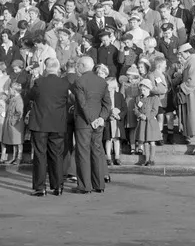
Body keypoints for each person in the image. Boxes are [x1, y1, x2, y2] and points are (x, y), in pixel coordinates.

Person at [27, 57, 71, 197]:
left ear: (45, 67)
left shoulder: (39, 82)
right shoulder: (64, 84)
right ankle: (58, 186)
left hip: (40, 123)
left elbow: (29, 96)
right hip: (57, 124)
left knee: (40, 155)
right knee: (56, 155)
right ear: (57, 68)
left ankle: (40, 187)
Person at [71, 56, 111, 194]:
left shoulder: (79, 81)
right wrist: (101, 118)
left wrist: (91, 119)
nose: (77, 68)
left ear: (82, 66)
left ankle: (84, 186)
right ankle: (99, 184)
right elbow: (107, 104)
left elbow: (82, 104)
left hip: (84, 122)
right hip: (98, 122)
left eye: (78, 65)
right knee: (97, 152)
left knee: (83, 153)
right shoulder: (102, 81)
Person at [134, 78, 162, 166]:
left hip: (151, 122)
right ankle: (146, 160)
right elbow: (135, 109)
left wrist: (147, 117)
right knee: (145, 140)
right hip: (142, 123)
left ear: (149, 89)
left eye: (145, 90)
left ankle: (152, 159)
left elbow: (155, 110)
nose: (143, 91)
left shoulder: (154, 98)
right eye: (141, 90)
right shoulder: (139, 98)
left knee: (152, 141)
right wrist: (139, 115)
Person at [103, 76, 125, 166]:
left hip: (117, 122)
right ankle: (108, 157)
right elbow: (103, 108)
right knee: (108, 139)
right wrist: (108, 116)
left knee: (116, 139)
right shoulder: (104, 96)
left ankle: (117, 157)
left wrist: (119, 116)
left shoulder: (119, 96)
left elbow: (124, 108)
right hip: (108, 121)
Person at [2, 81, 25, 165]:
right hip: (13, 123)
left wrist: (13, 121)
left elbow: (19, 112)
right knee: (14, 141)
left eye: (10, 89)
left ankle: (19, 158)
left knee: (18, 142)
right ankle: (14, 158)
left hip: (16, 124)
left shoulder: (18, 100)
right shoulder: (13, 99)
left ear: (14, 90)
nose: (9, 90)